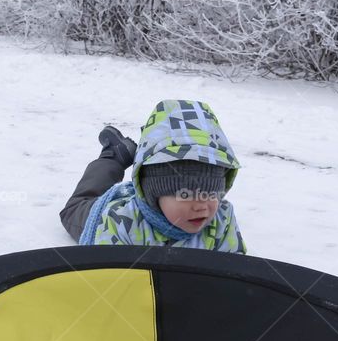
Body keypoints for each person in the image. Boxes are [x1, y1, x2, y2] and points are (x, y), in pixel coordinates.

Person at [59, 99, 247, 253]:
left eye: (211, 193)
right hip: (102, 215)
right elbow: (107, 274)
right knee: (75, 209)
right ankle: (114, 156)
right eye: (185, 194)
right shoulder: (120, 220)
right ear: (153, 194)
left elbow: (233, 269)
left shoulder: (222, 219)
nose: (201, 206)